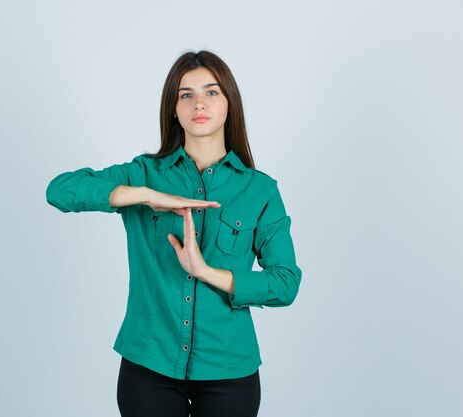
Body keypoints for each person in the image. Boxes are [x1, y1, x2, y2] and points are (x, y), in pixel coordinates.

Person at [45, 50, 302, 417]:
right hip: (149, 364)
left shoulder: (260, 190)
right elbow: (60, 190)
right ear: (173, 108)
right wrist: (146, 196)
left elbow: (285, 282)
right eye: (186, 94)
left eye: (212, 92)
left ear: (230, 103)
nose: (199, 102)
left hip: (230, 369)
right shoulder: (143, 174)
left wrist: (207, 272)